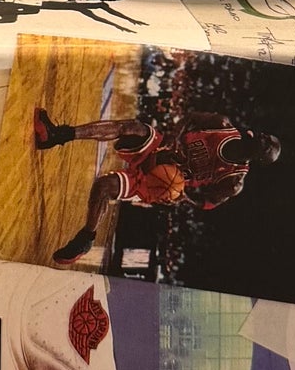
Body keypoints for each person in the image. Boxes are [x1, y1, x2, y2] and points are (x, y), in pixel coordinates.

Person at [34, 107, 281, 262]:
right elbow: (190, 117)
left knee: (104, 186)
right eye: (261, 134)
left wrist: (184, 196)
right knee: (131, 126)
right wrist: (175, 135)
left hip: (160, 183)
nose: (255, 133)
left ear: (254, 155)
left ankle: (85, 238)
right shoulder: (223, 125)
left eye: (260, 140)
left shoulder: (234, 180)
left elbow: (208, 203)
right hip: (160, 148)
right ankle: (57, 135)